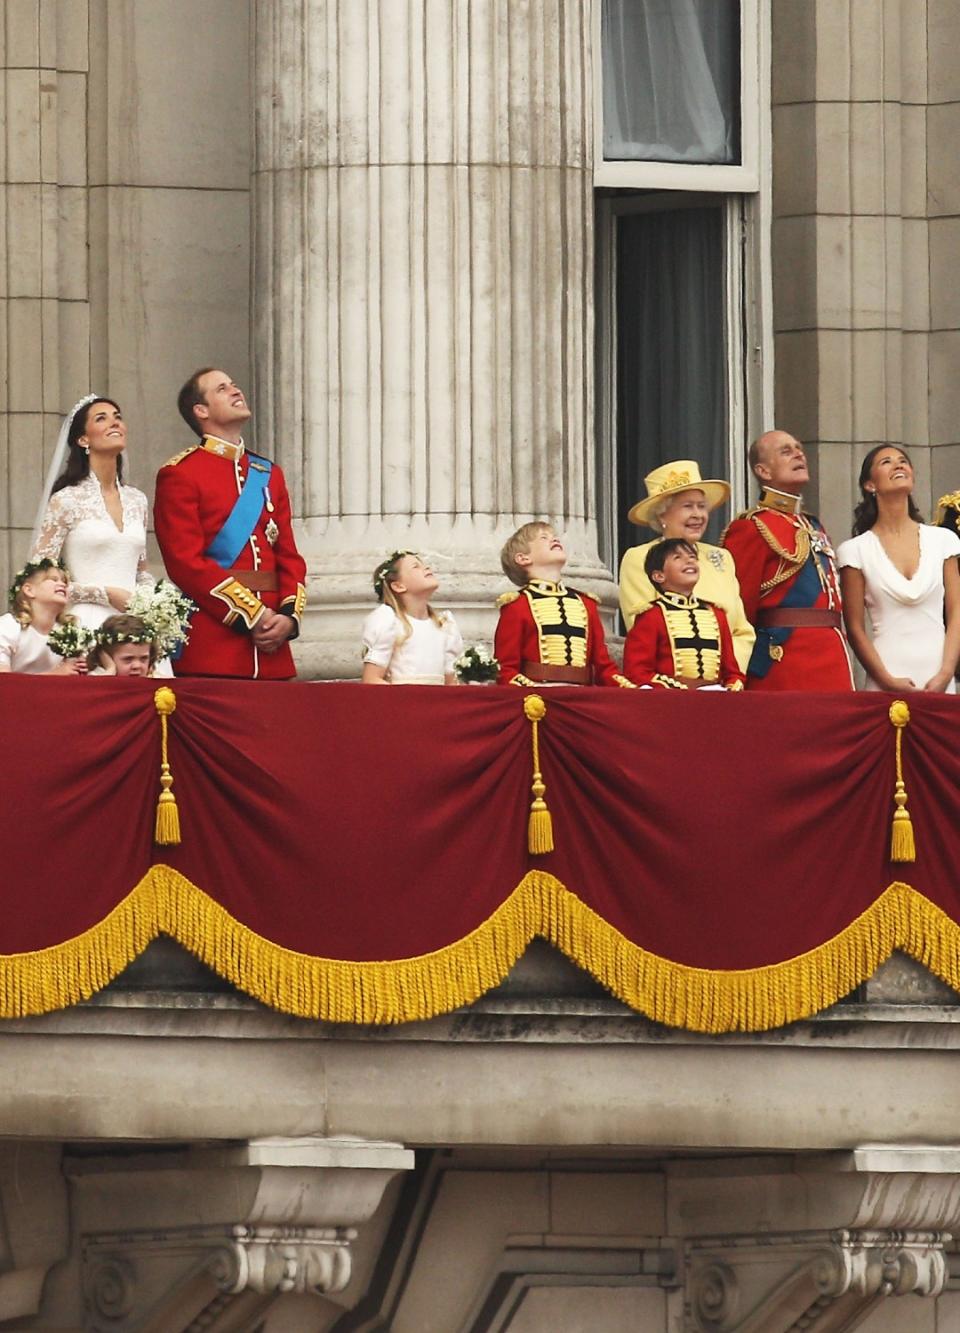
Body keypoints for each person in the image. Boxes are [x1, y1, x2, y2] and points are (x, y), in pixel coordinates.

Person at [153, 369, 307, 679]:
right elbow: (185, 563)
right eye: (222, 389)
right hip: (215, 648)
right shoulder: (181, 473)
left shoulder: (268, 473)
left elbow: (289, 555)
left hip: (272, 650)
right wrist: (253, 614)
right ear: (201, 410)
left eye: (234, 385)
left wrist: (288, 618)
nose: (236, 391)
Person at [722, 431, 852, 691]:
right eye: (786, 451)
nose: (798, 454)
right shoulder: (751, 527)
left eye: (799, 448)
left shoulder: (812, 524)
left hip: (834, 654)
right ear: (763, 471)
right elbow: (738, 611)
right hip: (784, 661)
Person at [837, 446, 960, 693]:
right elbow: (854, 627)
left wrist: (946, 672)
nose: (898, 465)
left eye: (903, 461)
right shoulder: (855, 550)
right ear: (870, 485)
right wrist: (886, 680)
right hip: (887, 676)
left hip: (940, 676)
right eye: (886, 462)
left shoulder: (943, 540)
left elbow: (956, 610)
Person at [30, 395, 155, 630]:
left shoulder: (137, 500)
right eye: (102, 418)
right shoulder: (66, 500)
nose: (114, 422)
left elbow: (141, 572)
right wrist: (103, 594)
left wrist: (152, 602)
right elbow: (40, 576)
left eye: (118, 417)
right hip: (85, 623)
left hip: (135, 625)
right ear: (83, 439)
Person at [619, 460, 755, 674]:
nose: (698, 515)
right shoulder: (640, 558)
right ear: (662, 514)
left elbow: (742, 631)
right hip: (670, 684)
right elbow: (641, 629)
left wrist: (722, 673)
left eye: (702, 506)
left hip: (724, 684)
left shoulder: (720, 557)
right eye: (687, 506)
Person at [495, 522, 634, 687]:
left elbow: (603, 667)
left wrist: (632, 689)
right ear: (523, 558)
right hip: (537, 700)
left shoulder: (586, 603)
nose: (554, 539)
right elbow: (506, 670)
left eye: (554, 537)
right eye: (544, 538)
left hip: (582, 697)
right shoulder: (517, 606)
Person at [623, 539, 744, 691]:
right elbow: (636, 672)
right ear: (659, 576)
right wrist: (679, 689)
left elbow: (732, 672)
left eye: (692, 557)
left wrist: (732, 687)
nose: (689, 561)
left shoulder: (717, 614)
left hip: (714, 703)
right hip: (669, 701)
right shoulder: (652, 615)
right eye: (678, 557)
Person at [361, 551, 462, 684]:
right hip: (404, 701)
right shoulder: (389, 620)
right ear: (398, 586)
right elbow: (371, 679)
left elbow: (451, 682)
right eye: (416, 566)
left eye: (424, 565)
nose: (427, 568)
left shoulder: (444, 625)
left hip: (438, 701)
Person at [0, 559, 87, 675]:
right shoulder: (9, 626)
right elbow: (4, 682)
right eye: (53, 579)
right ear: (29, 590)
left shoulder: (68, 632)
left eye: (64, 582)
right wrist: (56, 674)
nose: (62, 584)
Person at [87, 614, 158, 678]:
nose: (137, 666)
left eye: (144, 659)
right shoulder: (94, 679)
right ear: (106, 658)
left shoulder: (154, 680)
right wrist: (111, 670)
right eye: (128, 659)